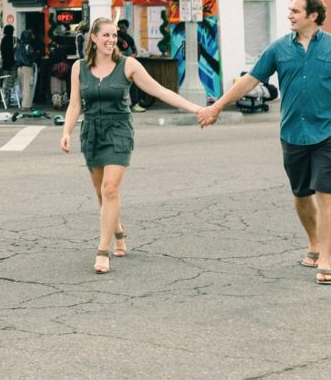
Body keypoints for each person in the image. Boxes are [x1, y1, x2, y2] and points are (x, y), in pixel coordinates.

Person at [198, 0, 331, 286]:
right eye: (289, 10)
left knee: (327, 193)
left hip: (327, 133)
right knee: (301, 196)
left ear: (313, 16)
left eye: (296, 11)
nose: (290, 15)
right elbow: (250, 80)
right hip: (293, 132)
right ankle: (314, 243)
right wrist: (217, 106)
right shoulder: (279, 49)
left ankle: (326, 259)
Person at [61, 16, 204, 273]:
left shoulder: (128, 65)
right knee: (100, 192)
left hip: (118, 130)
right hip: (91, 132)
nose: (111, 40)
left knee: (110, 189)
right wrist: (67, 131)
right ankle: (117, 230)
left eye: (114, 36)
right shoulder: (79, 68)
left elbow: (160, 91)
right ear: (93, 38)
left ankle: (102, 251)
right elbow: (75, 104)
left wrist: (195, 109)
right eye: (106, 35)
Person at [116, 19, 148, 112]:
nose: (122, 28)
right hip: (116, 63)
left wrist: (132, 56)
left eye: (124, 26)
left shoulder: (130, 38)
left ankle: (135, 103)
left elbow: (135, 52)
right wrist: (121, 41)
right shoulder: (115, 36)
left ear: (127, 27)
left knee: (132, 83)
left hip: (126, 63)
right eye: (120, 26)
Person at [14, 30, 39, 110]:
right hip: (27, 68)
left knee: (22, 86)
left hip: (19, 68)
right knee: (28, 86)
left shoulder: (17, 45)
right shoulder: (28, 46)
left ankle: (24, 103)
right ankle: (26, 105)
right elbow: (32, 57)